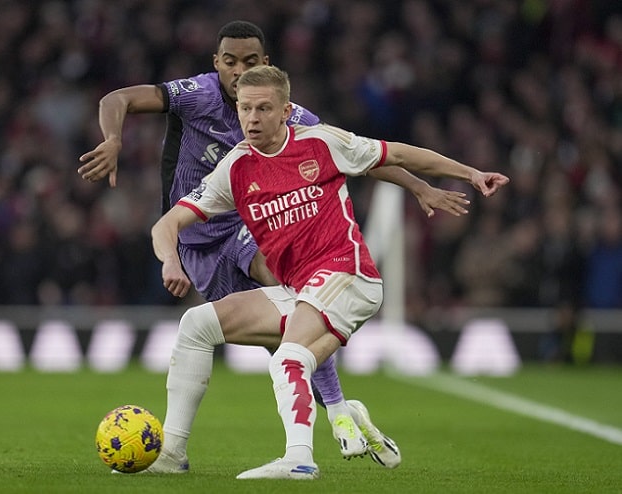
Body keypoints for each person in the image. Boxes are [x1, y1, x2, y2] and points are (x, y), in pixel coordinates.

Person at [79, 21, 469, 472]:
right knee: (248, 336)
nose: (238, 71)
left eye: (249, 62)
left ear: (266, 66)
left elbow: (361, 154)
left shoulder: (292, 117)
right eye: (230, 62)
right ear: (216, 63)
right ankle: (337, 413)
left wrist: (419, 186)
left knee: (289, 297)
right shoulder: (197, 96)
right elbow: (118, 99)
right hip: (198, 242)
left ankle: (322, 429)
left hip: (252, 227)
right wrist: (114, 139)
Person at [151, 65, 509, 480]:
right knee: (196, 325)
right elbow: (168, 224)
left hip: (348, 274)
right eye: (245, 109)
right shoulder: (235, 169)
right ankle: (173, 452)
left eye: (263, 108)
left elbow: (398, 153)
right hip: (300, 288)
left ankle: (299, 460)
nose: (252, 118)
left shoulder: (321, 143)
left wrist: (470, 173)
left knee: (288, 358)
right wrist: (171, 259)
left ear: (286, 111)